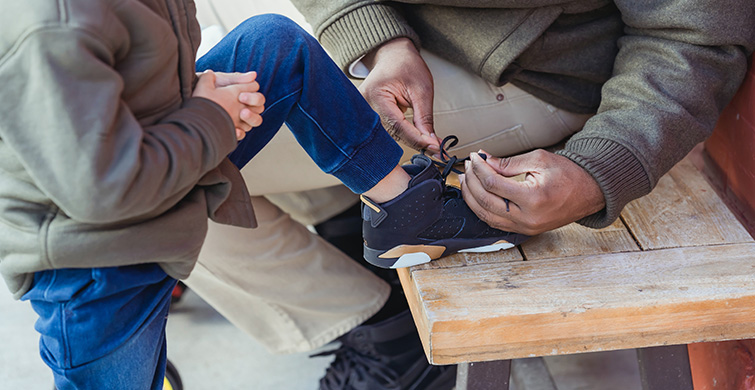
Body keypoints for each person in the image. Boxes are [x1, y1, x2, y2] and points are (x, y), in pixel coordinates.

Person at [178, 1, 755, 389]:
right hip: (403, 38)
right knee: (170, 129)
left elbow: (693, 32)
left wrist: (599, 167)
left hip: (530, 71)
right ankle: (379, 303)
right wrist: (375, 37)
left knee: (167, 176)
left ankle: (390, 345)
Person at [0, 1, 526, 388]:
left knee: (274, 44)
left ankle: (407, 209)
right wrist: (208, 115)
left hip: (163, 165)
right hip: (97, 264)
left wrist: (202, 93)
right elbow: (105, 189)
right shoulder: (52, 27)